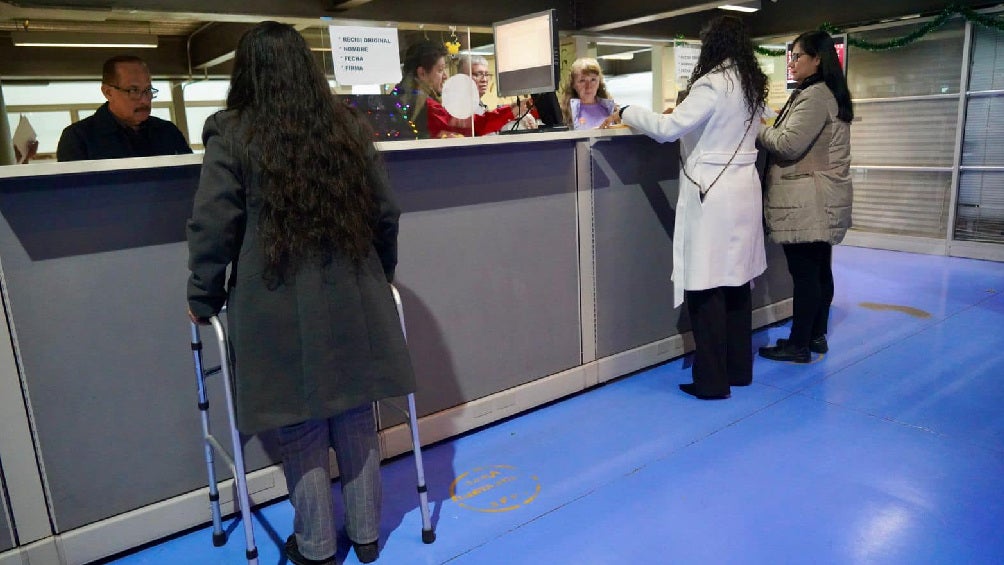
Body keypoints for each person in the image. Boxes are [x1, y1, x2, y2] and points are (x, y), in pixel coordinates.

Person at [186, 22, 415, 565]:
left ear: (247, 72)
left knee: (300, 421)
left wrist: (202, 295)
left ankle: (315, 547)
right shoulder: (346, 128)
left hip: (274, 298)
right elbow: (385, 211)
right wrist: (380, 272)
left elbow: (214, 224)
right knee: (357, 410)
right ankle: (365, 535)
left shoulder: (234, 132)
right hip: (354, 287)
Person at [601, 15, 768, 400]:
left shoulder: (713, 83)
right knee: (738, 283)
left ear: (713, 45)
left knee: (706, 285)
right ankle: (738, 370)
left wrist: (626, 111)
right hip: (743, 189)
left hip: (712, 193)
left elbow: (667, 128)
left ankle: (711, 381)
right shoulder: (750, 83)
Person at [756, 30, 854, 363]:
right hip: (820, 197)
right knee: (819, 269)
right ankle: (815, 336)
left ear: (817, 59)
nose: (792, 62)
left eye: (798, 56)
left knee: (806, 274)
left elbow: (787, 144)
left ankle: (799, 344)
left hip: (807, 198)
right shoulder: (827, 93)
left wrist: (756, 127)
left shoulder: (815, 96)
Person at [56, 55, 191, 161]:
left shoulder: (167, 131)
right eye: (133, 90)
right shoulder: (79, 138)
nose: (144, 100)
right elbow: (75, 193)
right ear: (108, 92)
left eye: (148, 90)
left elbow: (191, 179)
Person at [394, 41, 524, 138]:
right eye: (440, 70)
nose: (445, 76)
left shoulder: (400, 96)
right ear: (422, 73)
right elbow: (475, 126)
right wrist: (512, 111)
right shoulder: (425, 105)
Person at [458, 55, 537, 134]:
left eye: (486, 74)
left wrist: (516, 111)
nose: (484, 80)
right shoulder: (459, 108)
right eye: (478, 74)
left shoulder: (478, 104)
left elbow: (489, 121)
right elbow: (481, 125)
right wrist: (514, 111)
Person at [560, 57, 617, 130]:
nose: (588, 86)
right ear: (573, 84)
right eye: (582, 81)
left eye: (593, 80)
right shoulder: (564, 112)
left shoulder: (611, 109)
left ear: (599, 82)